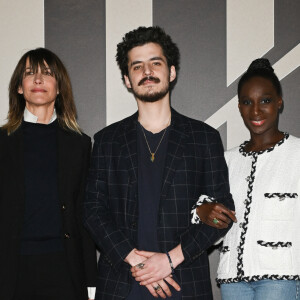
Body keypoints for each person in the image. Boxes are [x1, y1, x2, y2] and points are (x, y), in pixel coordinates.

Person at [84, 26, 234, 300]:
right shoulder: (107, 141)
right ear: (127, 80)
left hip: (184, 283)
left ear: (171, 72)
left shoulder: (203, 138)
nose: (147, 71)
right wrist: (135, 261)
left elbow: (221, 212)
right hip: (122, 284)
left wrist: (170, 259)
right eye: (137, 66)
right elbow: (93, 210)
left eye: (156, 63)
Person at [195, 58, 300, 300]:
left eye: (265, 100)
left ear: (279, 102)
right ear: (239, 107)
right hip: (233, 281)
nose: (255, 111)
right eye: (247, 102)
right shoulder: (226, 160)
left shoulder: (297, 154)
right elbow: (205, 217)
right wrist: (201, 211)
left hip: (281, 279)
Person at [0, 48, 97, 300]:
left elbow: (83, 214)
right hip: (11, 268)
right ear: (19, 87)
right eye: (30, 73)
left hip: (64, 269)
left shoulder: (79, 144)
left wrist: (90, 280)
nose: (38, 80)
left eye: (47, 74)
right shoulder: (2, 142)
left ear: (59, 87)